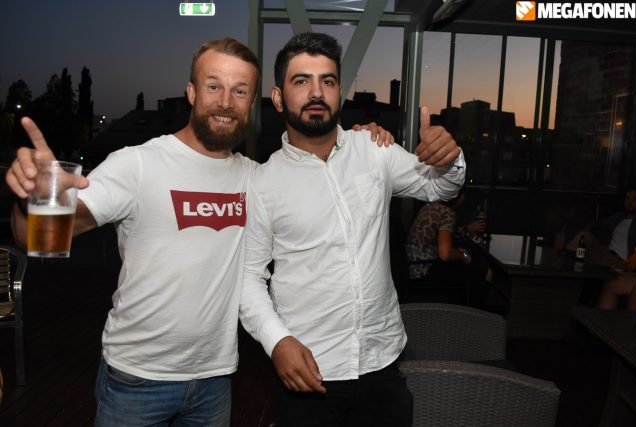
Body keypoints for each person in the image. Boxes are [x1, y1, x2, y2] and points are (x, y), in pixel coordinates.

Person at [5, 38, 394, 426]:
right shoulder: (138, 165)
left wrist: (358, 138)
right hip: (137, 380)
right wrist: (32, 200)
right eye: (213, 86)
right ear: (191, 92)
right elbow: (35, 237)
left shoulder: (254, 178)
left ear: (251, 103)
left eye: (239, 91)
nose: (225, 101)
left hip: (214, 381)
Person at [239, 32, 465, 426]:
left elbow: (439, 187)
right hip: (310, 369)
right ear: (277, 98)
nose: (316, 92)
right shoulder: (261, 182)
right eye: (301, 80)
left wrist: (448, 158)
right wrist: (277, 343)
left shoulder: (373, 150)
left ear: (339, 93)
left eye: (327, 81)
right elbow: (247, 277)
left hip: (383, 361)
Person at [405, 187, 492, 307]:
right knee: (483, 270)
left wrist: (467, 229)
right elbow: (445, 255)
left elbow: (444, 234)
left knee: (469, 261)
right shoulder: (448, 213)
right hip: (425, 271)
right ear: (460, 197)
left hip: (412, 267)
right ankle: (473, 309)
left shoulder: (430, 206)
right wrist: (464, 255)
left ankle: (460, 304)